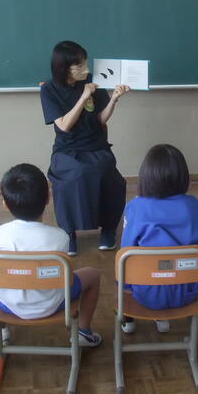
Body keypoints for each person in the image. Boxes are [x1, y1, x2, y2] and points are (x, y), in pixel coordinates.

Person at [0, 163, 102, 346]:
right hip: (52, 304)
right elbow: (63, 277)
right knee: (93, 275)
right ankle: (84, 332)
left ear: (5, 204)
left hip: (7, 305)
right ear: (48, 198)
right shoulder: (60, 237)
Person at [40, 40, 129, 255]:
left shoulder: (92, 82)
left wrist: (114, 100)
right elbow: (64, 126)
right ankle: (68, 232)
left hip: (96, 146)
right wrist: (83, 97)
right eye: (79, 65)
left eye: (85, 63)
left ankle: (108, 229)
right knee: (76, 174)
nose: (86, 69)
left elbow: (100, 119)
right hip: (67, 150)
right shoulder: (49, 90)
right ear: (64, 68)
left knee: (110, 176)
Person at [119, 144, 198, 334]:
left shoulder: (136, 207)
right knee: (167, 261)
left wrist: (123, 286)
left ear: (146, 175)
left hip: (145, 293)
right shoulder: (193, 206)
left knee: (128, 264)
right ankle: (161, 317)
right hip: (186, 291)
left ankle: (129, 319)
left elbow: (126, 251)